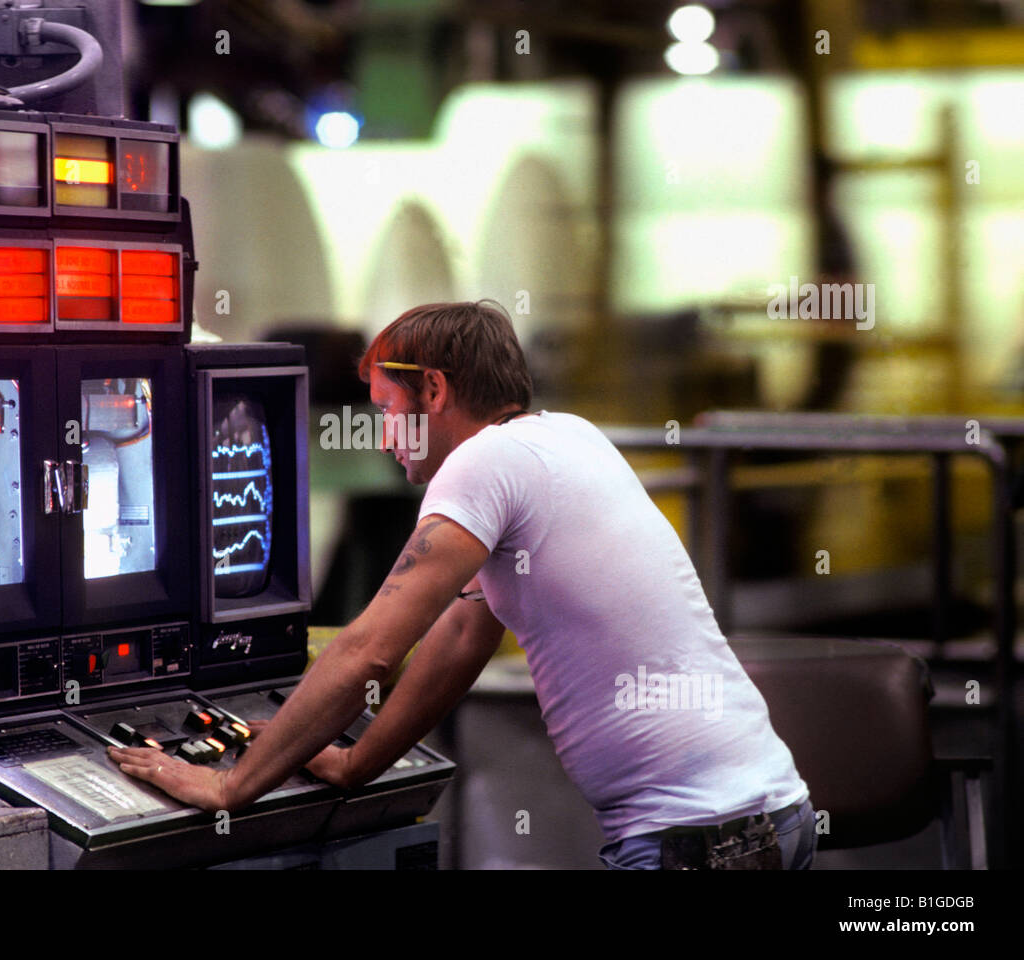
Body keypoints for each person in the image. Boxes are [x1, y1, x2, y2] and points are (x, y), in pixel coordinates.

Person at [108, 299, 815, 870]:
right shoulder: (568, 437)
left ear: (436, 390)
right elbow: (460, 633)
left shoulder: (482, 464)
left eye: (388, 409)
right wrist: (355, 763)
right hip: (762, 814)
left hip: (693, 841)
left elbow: (370, 650)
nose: (384, 438)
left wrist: (231, 783)